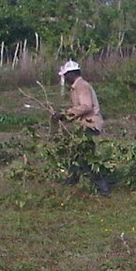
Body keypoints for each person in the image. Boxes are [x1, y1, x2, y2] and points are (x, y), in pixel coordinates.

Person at [54, 59, 110, 194]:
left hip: (90, 124)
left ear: (72, 74)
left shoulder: (82, 86)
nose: (65, 78)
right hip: (84, 125)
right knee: (77, 156)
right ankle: (72, 184)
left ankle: (103, 189)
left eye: (66, 75)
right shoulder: (76, 87)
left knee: (86, 158)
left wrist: (65, 114)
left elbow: (86, 106)